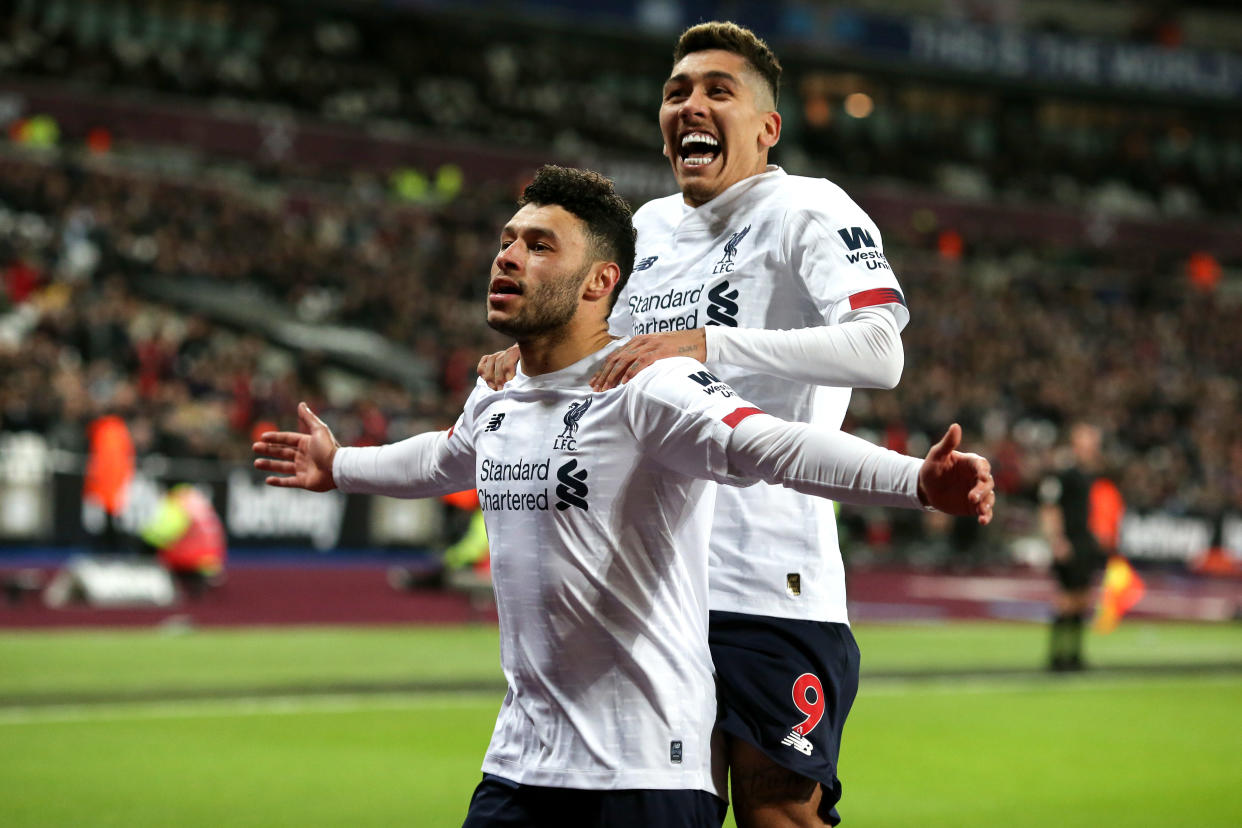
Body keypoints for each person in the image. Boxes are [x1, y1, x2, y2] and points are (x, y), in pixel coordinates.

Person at [256, 166, 995, 828]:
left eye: (540, 245)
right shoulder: (501, 391)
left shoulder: (649, 384)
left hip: (644, 774)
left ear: (600, 282)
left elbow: (773, 445)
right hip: (521, 762)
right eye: (508, 240)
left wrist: (916, 482)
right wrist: (341, 464)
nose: (508, 255)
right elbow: (446, 456)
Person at [478, 22, 913, 827]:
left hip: (768, 581)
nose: (692, 104)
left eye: (719, 90)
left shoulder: (808, 208)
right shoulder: (646, 231)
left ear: (766, 127)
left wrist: (706, 340)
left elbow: (879, 350)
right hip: (653, 590)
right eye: (677, 90)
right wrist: (529, 357)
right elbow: (593, 358)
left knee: (779, 816)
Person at [1039, 422, 1121, 671]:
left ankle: (1074, 655)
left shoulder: (1096, 476)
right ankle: (1056, 656)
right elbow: (1049, 509)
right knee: (1067, 599)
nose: (1090, 447)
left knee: (1084, 599)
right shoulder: (1062, 474)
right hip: (1070, 542)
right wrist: (1057, 540)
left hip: (1087, 543)